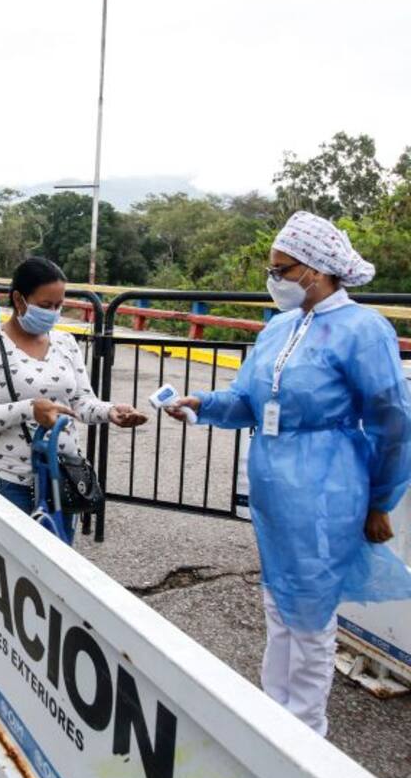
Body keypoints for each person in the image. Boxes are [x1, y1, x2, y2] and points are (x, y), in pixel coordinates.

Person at [165, 211, 411, 736]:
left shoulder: (363, 331)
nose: (274, 279)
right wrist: (200, 404)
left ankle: (305, 731)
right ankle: (273, 715)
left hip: (327, 488)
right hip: (274, 486)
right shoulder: (279, 328)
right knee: (279, 599)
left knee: (312, 610)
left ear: (319, 270)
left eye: (284, 268)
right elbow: (250, 402)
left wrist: (380, 500)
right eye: (272, 268)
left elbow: (393, 421)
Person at [0, 257, 146, 536]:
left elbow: (81, 402)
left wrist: (110, 412)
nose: (53, 313)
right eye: (46, 306)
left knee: (55, 574)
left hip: (62, 480)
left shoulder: (65, 343)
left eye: (59, 306)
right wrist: (30, 408)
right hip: (9, 484)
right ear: (19, 300)